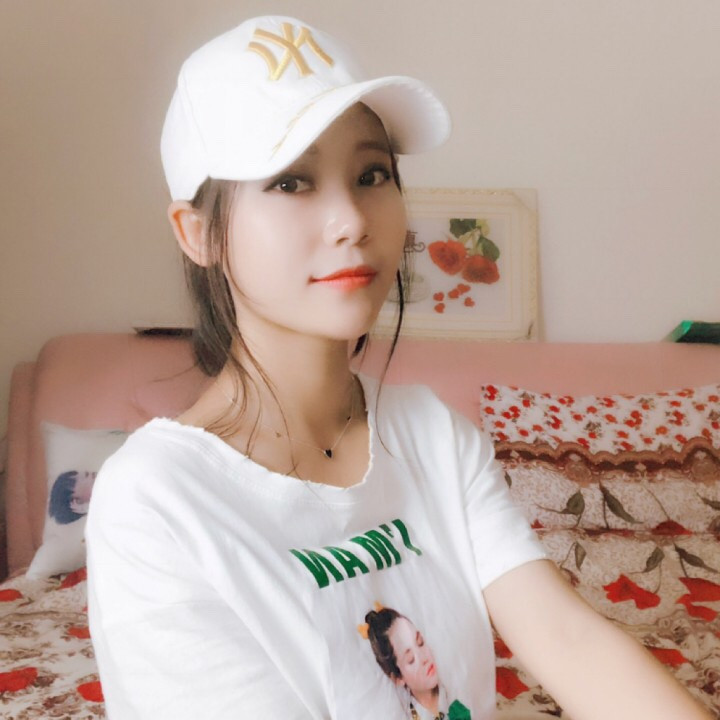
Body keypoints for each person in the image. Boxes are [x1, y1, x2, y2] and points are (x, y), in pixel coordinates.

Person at [85, 14, 713, 720]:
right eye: (291, 182)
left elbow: (569, 641)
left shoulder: (431, 434)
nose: (352, 219)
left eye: (371, 174)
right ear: (197, 233)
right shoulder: (158, 502)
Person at [364, 605, 471, 719]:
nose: (424, 658)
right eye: (411, 659)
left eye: (420, 643)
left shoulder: (455, 692)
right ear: (398, 678)